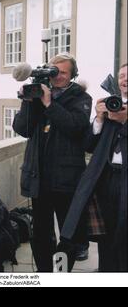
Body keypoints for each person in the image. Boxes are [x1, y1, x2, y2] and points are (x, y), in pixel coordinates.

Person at [12, 53, 92, 272]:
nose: (56, 77)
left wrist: (49, 104)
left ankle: (60, 273)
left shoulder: (80, 98)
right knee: (41, 233)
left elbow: (75, 126)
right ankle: (45, 272)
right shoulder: (38, 94)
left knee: (69, 232)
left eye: (62, 72)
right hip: (39, 178)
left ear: (73, 75)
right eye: (53, 72)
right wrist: (29, 103)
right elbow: (22, 129)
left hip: (66, 179)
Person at [61, 63, 127, 271]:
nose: (125, 80)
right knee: (107, 232)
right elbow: (89, 145)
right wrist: (98, 118)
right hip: (106, 179)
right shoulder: (112, 106)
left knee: (124, 233)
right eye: (122, 76)